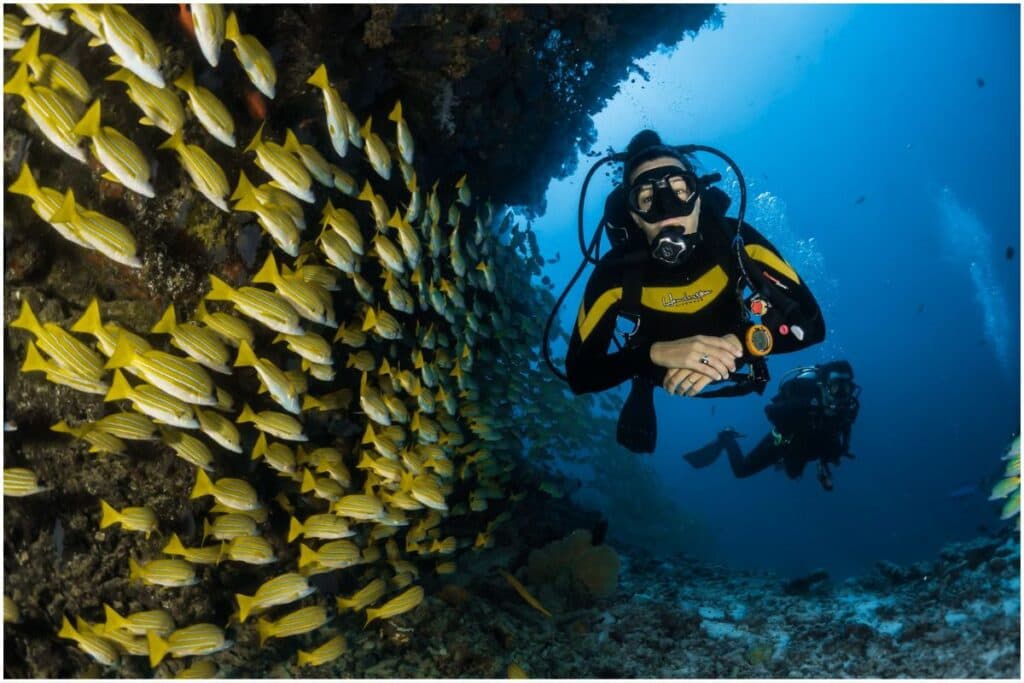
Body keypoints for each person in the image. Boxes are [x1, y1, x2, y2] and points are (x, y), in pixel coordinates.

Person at [564, 130, 826, 452]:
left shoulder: (738, 241)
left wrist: (742, 344)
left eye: (679, 190)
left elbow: (812, 326)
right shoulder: (614, 274)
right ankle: (643, 384)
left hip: (738, 349)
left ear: (699, 196)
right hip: (657, 369)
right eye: (647, 199)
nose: (666, 209)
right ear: (633, 215)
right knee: (642, 373)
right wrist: (652, 355)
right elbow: (580, 374)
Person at [683, 361, 861, 491]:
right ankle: (727, 437)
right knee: (741, 470)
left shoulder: (848, 407)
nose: (842, 395)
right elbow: (770, 410)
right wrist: (805, 407)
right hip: (783, 442)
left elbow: (845, 429)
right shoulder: (805, 401)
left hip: (810, 446)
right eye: (837, 387)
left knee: (794, 472)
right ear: (823, 386)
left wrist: (837, 453)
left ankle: (808, 465)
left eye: (847, 388)